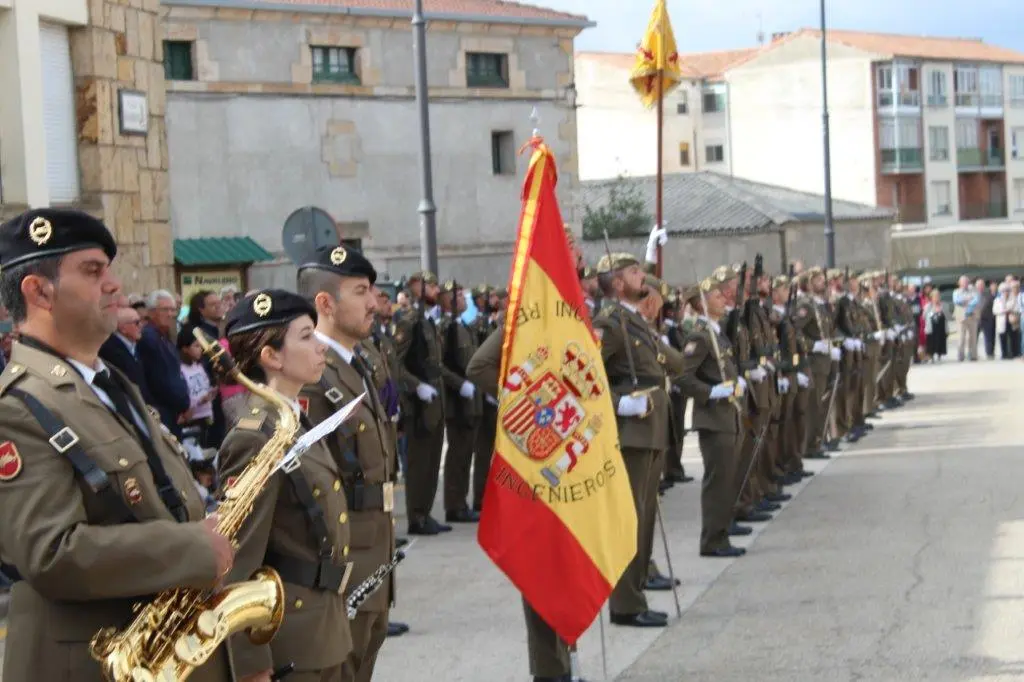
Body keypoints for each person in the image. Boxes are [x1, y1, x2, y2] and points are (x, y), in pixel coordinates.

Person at [0, 208, 234, 682]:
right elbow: (51, 552)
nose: (114, 285)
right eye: (92, 270)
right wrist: (191, 545)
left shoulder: (109, 383)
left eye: (109, 268)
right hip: (93, 659)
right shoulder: (18, 405)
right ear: (38, 291)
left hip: (156, 648)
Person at [218, 288, 354, 682]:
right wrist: (248, 663)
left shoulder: (294, 420)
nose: (319, 346)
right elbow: (238, 560)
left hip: (324, 624)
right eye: (306, 336)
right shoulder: (254, 438)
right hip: (288, 636)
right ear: (272, 356)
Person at [296, 245, 404, 677]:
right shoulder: (313, 373)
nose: (375, 303)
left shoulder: (357, 362)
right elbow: (311, 481)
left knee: (364, 660)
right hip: (344, 553)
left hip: (374, 541)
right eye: (361, 291)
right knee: (343, 666)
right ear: (325, 303)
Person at [678, 269, 747, 558]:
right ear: (701, 304)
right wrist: (712, 392)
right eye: (717, 296)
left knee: (726, 479)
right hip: (713, 420)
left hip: (728, 417)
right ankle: (712, 541)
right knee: (716, 482)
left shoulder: (717, 334)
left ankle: (722, 532)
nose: (723, 298)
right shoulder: (700, 337)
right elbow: (683, 377)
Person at [924, 290, 947, 362]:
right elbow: (924, 316)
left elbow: (947, 316)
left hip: (941, 326)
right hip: (931, 326)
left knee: (940, 340)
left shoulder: (943, 305)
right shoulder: (928, 306)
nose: (936, 298)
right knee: (931, 341)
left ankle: (939, 354)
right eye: (934, 296)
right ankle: (931, 356)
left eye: (938, 296)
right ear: (931, 297)